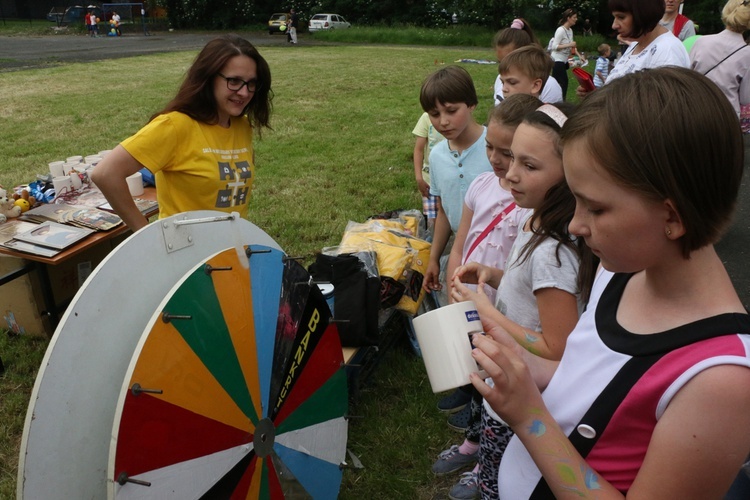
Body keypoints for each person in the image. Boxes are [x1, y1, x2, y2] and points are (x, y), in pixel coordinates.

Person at [470, 67, 750, 499]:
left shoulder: (721, 380)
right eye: (574, 199)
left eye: (596, 209)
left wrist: (529, 418)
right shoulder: (621, 269)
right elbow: (584, 379)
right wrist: (519, 367)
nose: (576, 225)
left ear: (673, 217)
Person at [450, 102, 596, 499]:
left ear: (570, 178)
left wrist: (489, 312)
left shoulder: (554, 252)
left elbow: (557, 347)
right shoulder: (534, 220)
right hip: (509, 378)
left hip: (526, 389)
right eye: (513, 157)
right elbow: (529, 287)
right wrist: (493, 275)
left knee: (500, 481)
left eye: (530, 166)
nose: (510, 173)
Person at [431, 94, 540, 500]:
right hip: (470, 305)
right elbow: (463, 241)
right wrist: (451, 275)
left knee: (497, 383)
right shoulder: (480, 184)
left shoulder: (529, 203)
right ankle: (474, 443)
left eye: (507, 152)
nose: (495, 159)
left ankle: (488, 465)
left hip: (505, 314)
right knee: (476, 376)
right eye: (490, 147)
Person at [92, 35, 273, 231]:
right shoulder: (175, 126)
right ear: (208, 78)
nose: (244, 92)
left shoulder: (242, 125)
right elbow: (106, 174)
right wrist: (146, 234)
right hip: (185, 253)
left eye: (251, 83)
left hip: (232, 246)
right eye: (234, 81)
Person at [420, 66, 492, 302]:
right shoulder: (437, 156)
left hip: (497, 255)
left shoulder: (495, 147)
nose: (443, 121)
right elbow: (443, 210)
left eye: (451, 111)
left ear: (471, 104)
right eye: (434, 114)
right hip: (459, 257)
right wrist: (434, 258)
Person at [578, 0, 690, 96]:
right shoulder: (638, 44)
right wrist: (594, 98)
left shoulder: (668, 52)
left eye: (621, 17)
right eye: (614, 17)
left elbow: (661, 112)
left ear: (644, 14)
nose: (614, 25)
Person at [690, 0, 750, 120]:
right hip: (727, 116)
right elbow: (745, 98)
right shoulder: (747, 53)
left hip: (695, 109)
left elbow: (686, 75)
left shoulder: (701, 42)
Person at [492, 19, 563, 105]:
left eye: (512, 82)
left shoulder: (550, 86)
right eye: (500, 62)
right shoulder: (501, 79)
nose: (504, 65)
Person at [412, 112, 445, 235]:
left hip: (452, 180)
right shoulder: (426, 118)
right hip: (430, 180)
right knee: (434, 221)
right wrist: (419, 178)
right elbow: (418, 149)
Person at [549, 9, 578, 101]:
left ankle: (554, 101)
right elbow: (554, 46)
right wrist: (569, 45)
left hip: (564, 61)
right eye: (574, 17)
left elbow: (572, 46)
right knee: (563, 82)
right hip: (557, 60)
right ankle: (561, 103)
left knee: (556, 83)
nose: (576, 19)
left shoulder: (570, 31)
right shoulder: (560, 30)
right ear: (568, 18)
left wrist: (579, 57)